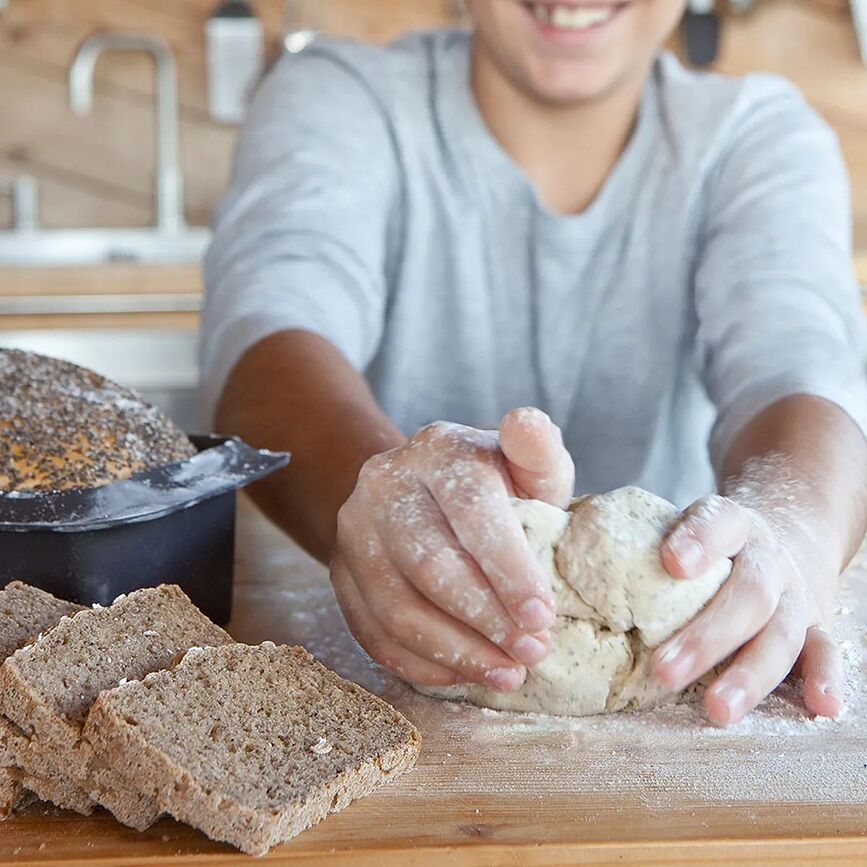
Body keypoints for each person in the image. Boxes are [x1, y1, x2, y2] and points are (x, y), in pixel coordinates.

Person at [202, 0, 867, 725]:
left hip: (686, 696)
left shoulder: (753, 137)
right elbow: (266, 347)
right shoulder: (335, 95)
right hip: (377, 693)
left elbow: (803, 373)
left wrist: (790, 535)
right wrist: (390, 510)